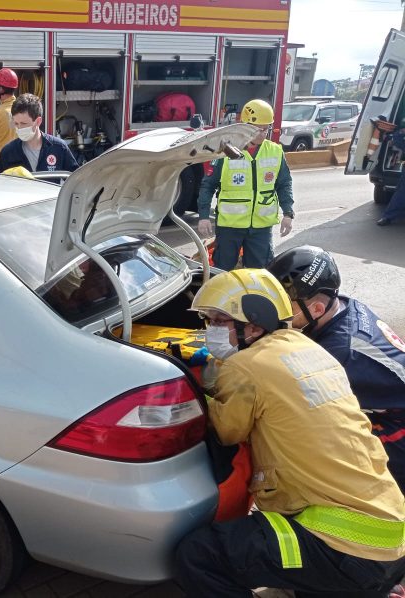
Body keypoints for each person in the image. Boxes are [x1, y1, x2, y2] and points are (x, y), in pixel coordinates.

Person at [175, 268, 405, 597]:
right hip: (391, 534)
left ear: (253, 325)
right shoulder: (310, 348)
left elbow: (226, 431)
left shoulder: (245, 367)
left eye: (218, 321)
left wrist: (204, 392)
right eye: (208, 320)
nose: (209, 330)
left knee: (200, 555)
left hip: (345, 547)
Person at [268, 245, 405, 491]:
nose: (280, 314)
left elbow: (298, 405)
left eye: (286, 307)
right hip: (392, 402)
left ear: (317, 309)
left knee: (316, 443)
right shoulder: (345, 306)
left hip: (398, 429)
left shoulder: (339, 354)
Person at [197, 99, 294, 271]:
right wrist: (204, 216)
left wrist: (288, 213)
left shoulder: (275, 151)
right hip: (230, 227)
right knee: (222, 271)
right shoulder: (226, 151)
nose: (263, 134)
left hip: (261, 228)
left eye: (267, 129)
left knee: (259, 273)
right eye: (259, 129)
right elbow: (208, 185)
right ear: (245, 126)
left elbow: (284, 184)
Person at [0, 93, 78, 174]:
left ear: (38, 121)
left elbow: (76, 180)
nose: (19, 128)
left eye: (24, 124)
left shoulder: (59, 148)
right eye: (16, 124)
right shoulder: (8, 152)